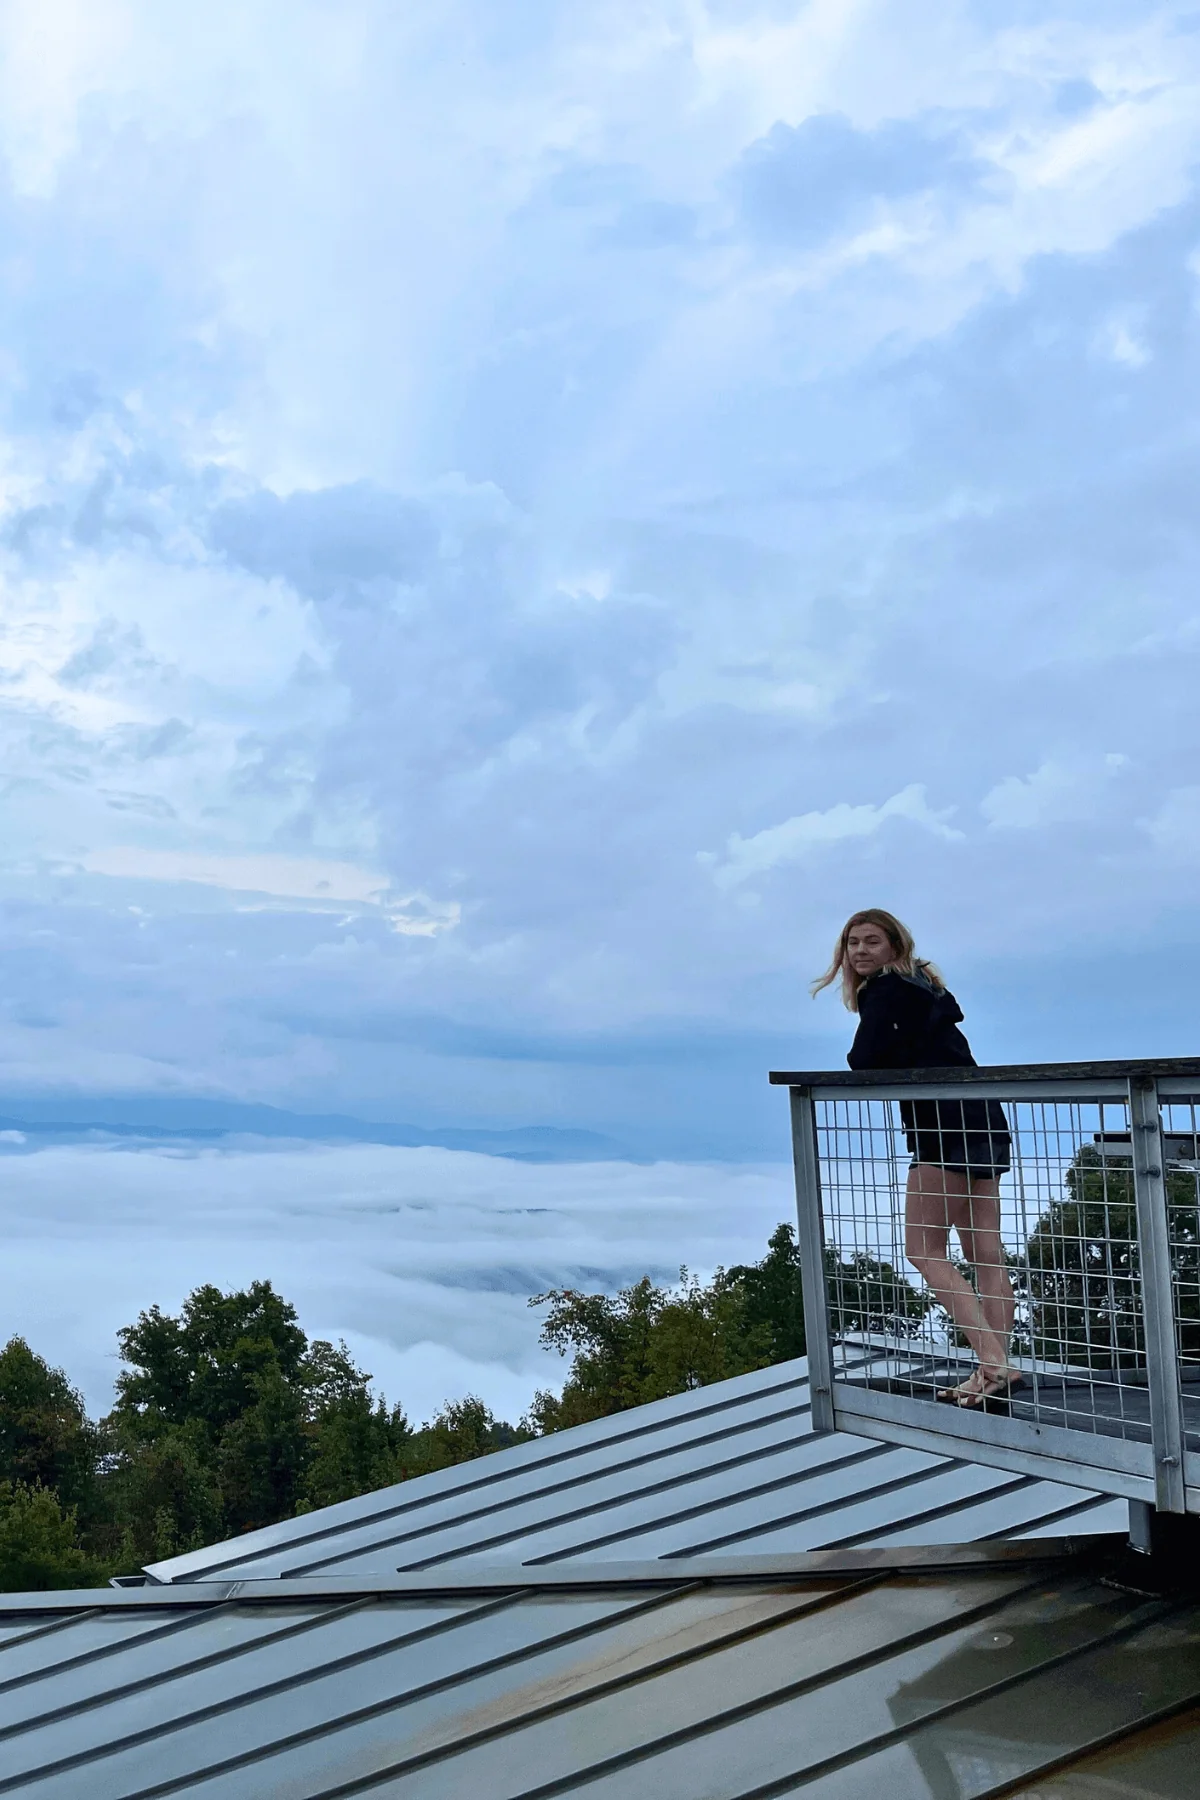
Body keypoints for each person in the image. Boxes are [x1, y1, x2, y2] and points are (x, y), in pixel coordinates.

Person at [812, 908, 1021, 1408]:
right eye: (852, 943)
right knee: (985, 1254)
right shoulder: (926, 987)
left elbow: (864, 1060)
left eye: (871, 942)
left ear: (894, 947)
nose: (860, 951)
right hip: (984, 1119)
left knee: (923, 1250)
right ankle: (991, 1370)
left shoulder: (884, 991)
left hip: (942, 1128)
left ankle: (994, 1364)